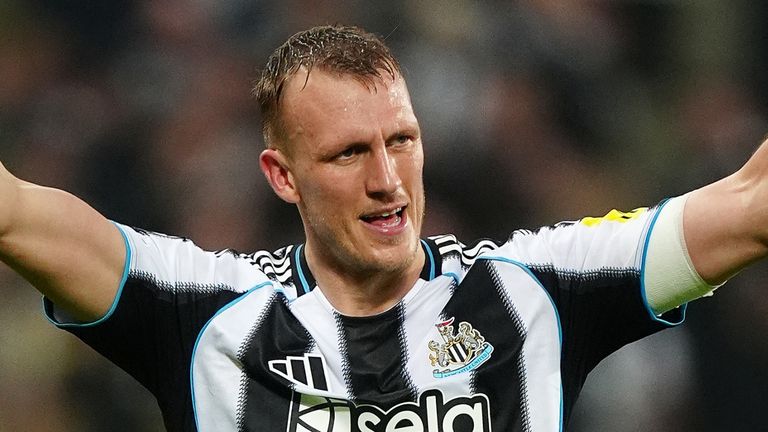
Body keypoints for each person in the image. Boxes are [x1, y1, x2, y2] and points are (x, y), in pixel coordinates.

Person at [1, 24, 767, 432]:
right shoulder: (203, 311)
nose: (387, 180)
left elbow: (749, 202)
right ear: (282, 176)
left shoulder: (538, 289)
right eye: (349, 154)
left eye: (402, 140)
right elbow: (18, 215)